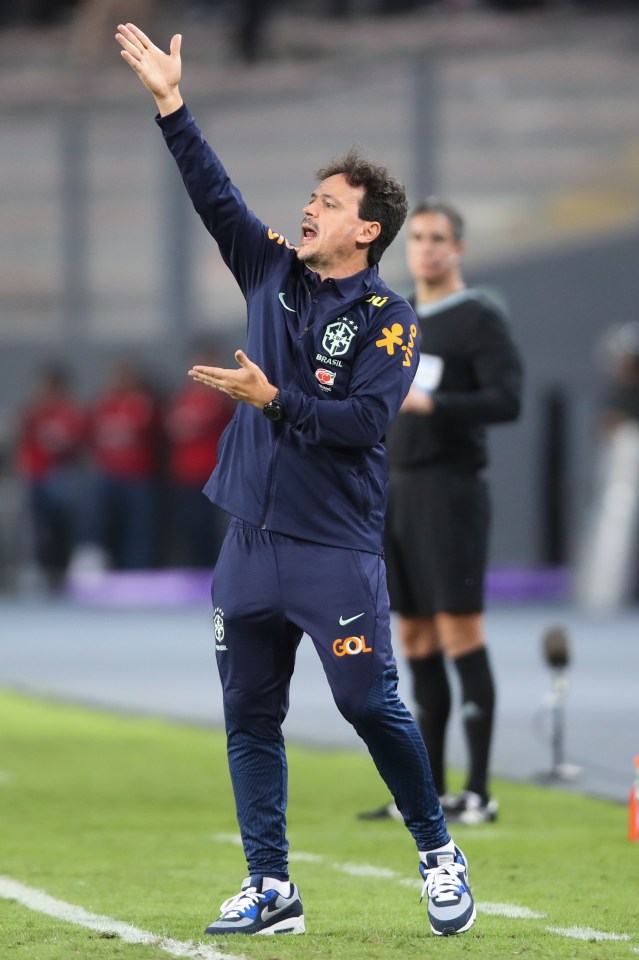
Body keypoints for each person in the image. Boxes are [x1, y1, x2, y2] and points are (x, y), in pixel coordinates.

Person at [115, 22, 477, 938]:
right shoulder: (270, 267)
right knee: (248, 714)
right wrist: (171, 105)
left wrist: (273, 398)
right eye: (308, 198)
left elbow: (361, 424)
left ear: (367, 229)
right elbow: (214, 194)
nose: (307, 210)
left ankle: (437, 849)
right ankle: (271, 886)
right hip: (248, 538)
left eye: (326, 202)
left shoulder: (392, 321)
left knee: (366, 703)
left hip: (332, 547)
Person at [359, 199, 522, 826]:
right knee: (416, 635)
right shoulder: (400, 316)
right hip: (395, 490)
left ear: (457, 249)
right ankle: (425, 792)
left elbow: (508, 400)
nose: (425, 248)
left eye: (437, 238)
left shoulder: (478, 317)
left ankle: (478, 791)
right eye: (418, 237)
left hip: (451, 491)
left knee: (460, 631)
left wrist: (433, 404)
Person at [15, 362, 87, 591]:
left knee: (62, 526)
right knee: (38, 527)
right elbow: (25, 441)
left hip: (61, 476)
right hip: (37, 475)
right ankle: (42, 570)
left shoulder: (70, 412)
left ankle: (62, 570)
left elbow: (76, 443)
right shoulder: (34, 412)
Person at [164, 341, 235, 568]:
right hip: (186, 474)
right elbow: (173, 427)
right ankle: (195, 569)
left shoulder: (222, 397)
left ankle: (215, 569)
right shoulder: (183, 397)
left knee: (214, 527)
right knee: (191, 526)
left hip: (214, 473)